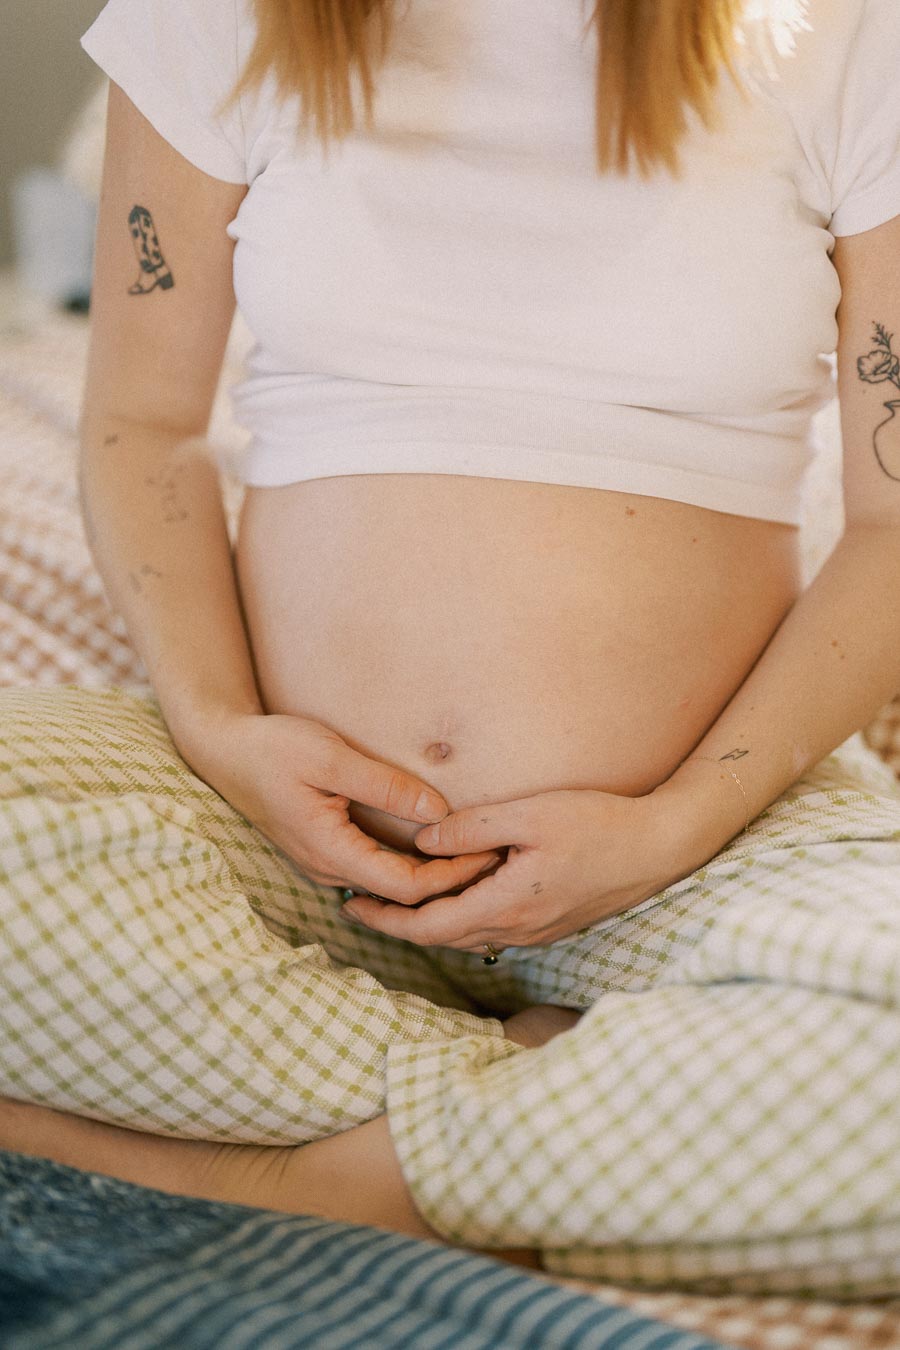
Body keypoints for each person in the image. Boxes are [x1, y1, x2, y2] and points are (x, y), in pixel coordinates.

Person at [2, 0, 900, 1295]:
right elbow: (143, 422)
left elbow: (889, 522)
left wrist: (677, 824)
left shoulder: (846, 33)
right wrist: (218, 728)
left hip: (699, 854)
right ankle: (566, 1103)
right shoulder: (216, 16)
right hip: (279, 841)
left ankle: (294, 1177)